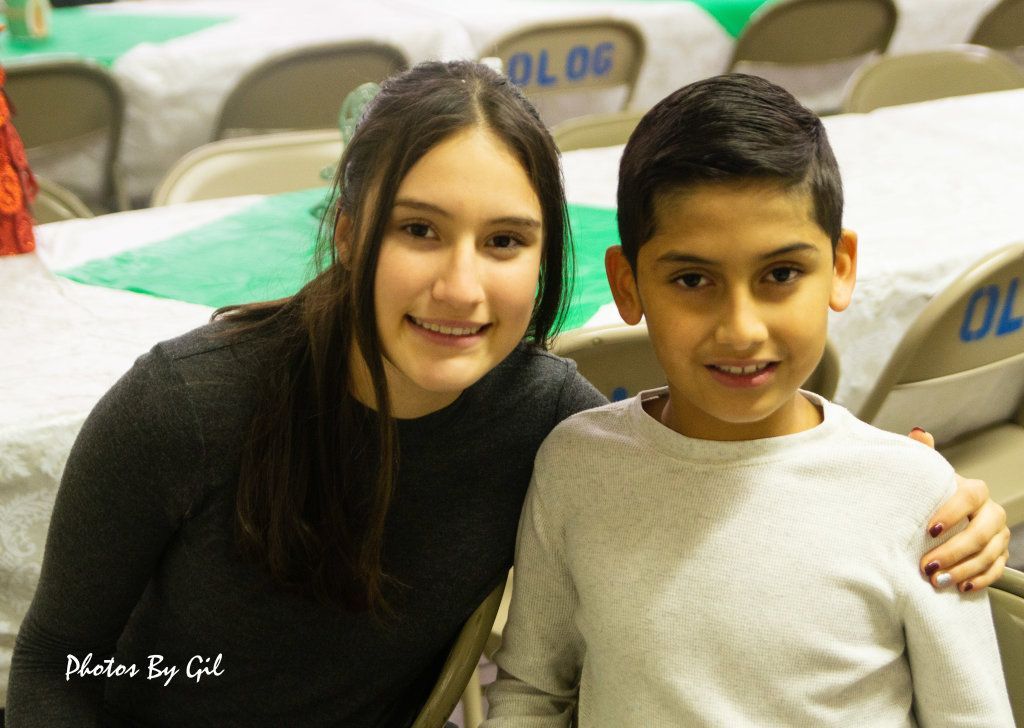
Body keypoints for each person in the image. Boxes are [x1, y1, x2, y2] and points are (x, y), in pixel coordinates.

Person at [3, 62, 1007, 727]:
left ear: (548, 259)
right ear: (350, 232)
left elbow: (726, 460)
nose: (460, 287)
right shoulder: (186, 404)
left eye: (504, 241)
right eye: (418, 230)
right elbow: (59, 661)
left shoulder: (552, 422)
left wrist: (927, 493)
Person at [484, 74, 1014, 727]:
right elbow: (534, 693)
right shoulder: (574, 466)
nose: (740, 328)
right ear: (628, 285)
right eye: (692, 279)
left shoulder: (918, 498)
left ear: (841, 267)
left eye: (780, 275)